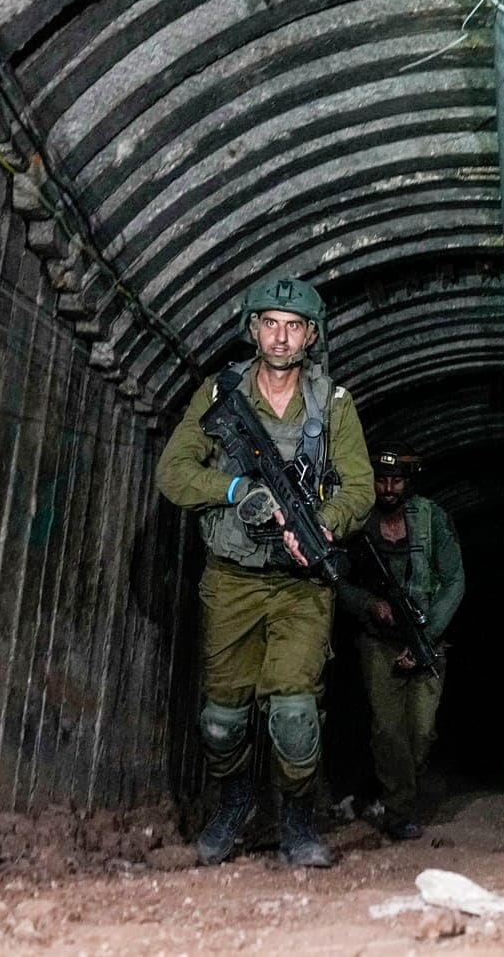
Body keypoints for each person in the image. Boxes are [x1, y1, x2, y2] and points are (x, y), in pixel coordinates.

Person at [156, 275, 372, 868]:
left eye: (293, 326)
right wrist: (232, 488)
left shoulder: (333, 404)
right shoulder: (219, 393)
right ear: (253, 330)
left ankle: (297, 820)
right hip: (232, 576)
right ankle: (235, 806)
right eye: (270, 323)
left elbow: (359, 486)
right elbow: (174, 473)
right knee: (223, 717)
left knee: (295, 711)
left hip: (301, 585)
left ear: (311, 336)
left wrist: (324, 525)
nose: (281, 337)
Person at [335, 446, 464, 840]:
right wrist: (368, 603)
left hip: (427, 640)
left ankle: (401, 793)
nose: (388, 487)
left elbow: (455, 580)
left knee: (421, 731)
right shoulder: (357, 519)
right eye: (381, 479)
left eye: (397, 480)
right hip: (378, 642)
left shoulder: (430, 519)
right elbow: (336, 579)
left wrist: (426, 635)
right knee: (388, 730)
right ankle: (398, 810)